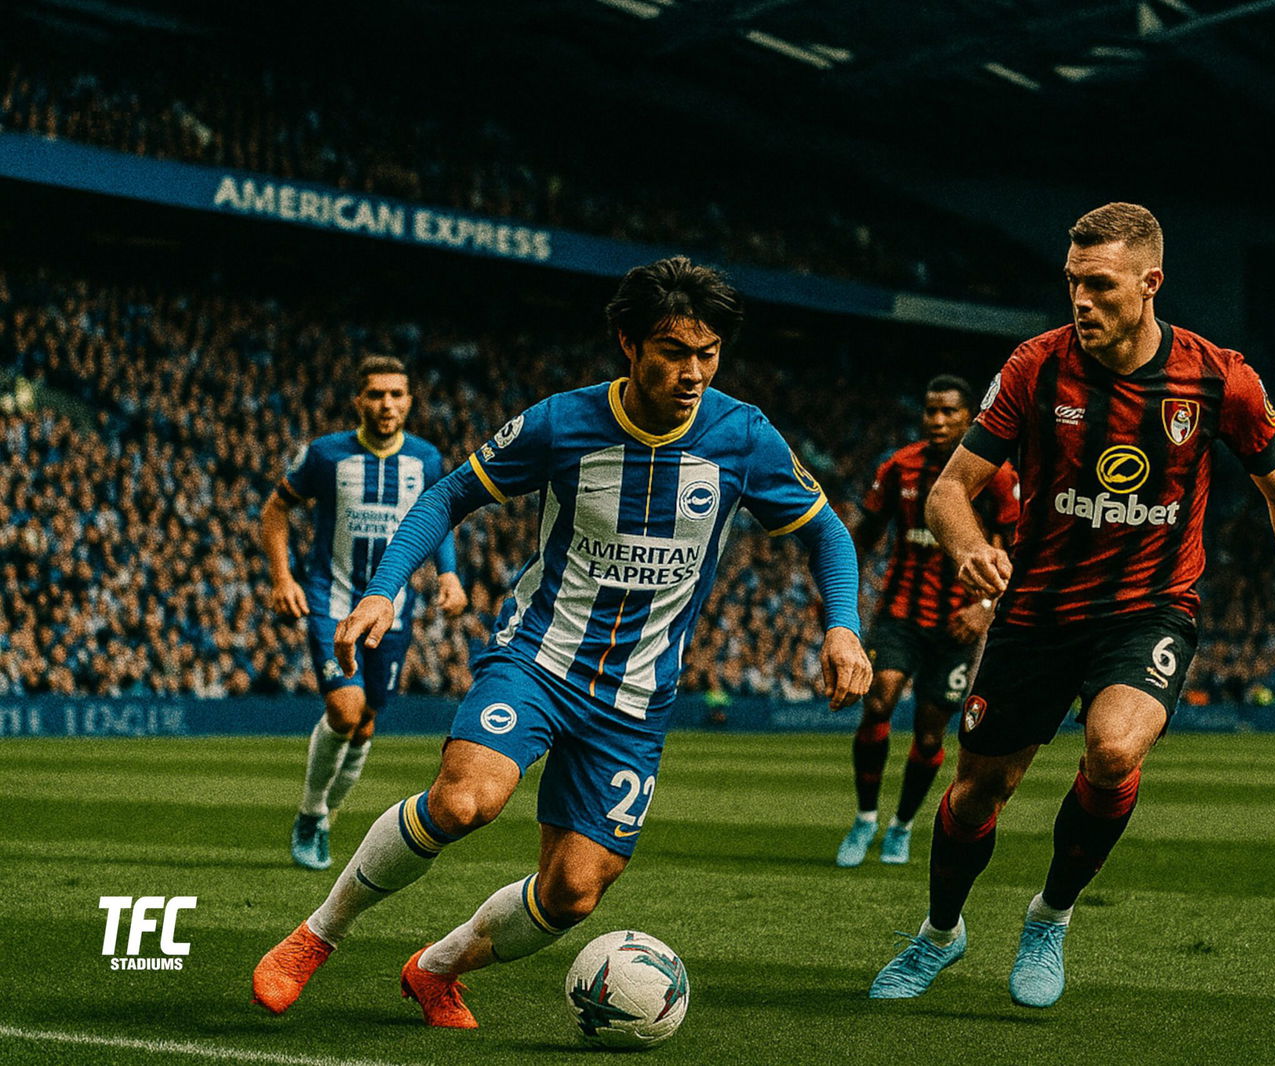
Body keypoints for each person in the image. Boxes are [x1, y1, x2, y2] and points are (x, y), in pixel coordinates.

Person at [252, 257, 872, 1028]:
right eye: (674, 352)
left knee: (575, 890)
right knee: (467, 799)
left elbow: (827, 533)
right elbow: (449, 495)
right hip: (540, 659)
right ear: (628, 343)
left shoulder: (743, 438)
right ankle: (317, 936)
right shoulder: (562, 423)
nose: (693, 373)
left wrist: (842, 625)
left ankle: (435, 968)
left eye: (707, 355)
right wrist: (382, 589)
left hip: (639, 697)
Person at [868, 203, 1275, 1008]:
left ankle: (1050, 916)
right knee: (980, 790)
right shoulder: (1034, 368)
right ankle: (939, 934)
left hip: (1149, 608)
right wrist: (968, 546)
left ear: (1150, 284)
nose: (1081, 301)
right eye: (1072, 283)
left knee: (1116, 750)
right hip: (1038, 610)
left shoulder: (1218, 378)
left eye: (1100, 285)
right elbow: (951, 490)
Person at [260, 355, 467, 871]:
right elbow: (274, 510)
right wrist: (282, 578)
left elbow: (438, 519)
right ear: (358, 400)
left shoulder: (426, 459)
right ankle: (311, 813)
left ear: (410, 401)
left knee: (368, 721)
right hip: (330, 601)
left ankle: (326, 813)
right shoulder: (326, 455)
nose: (386, 404)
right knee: (345, 711)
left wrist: (449, 573)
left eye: (396, 394)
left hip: (392, 614)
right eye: (375, 394)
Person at [836, 375, 1018, 867]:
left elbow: (1014, 549)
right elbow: (865, 534)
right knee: (879, 702)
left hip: (959, 624)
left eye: (948, 412)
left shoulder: (997, 476)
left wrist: (984, 608)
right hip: (899, 613)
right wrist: (841, 597)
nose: (937, 421)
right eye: (930, 411)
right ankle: (865, 818)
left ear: (969, 417)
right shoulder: (899, 467)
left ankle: (902, 826)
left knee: (931, 733)